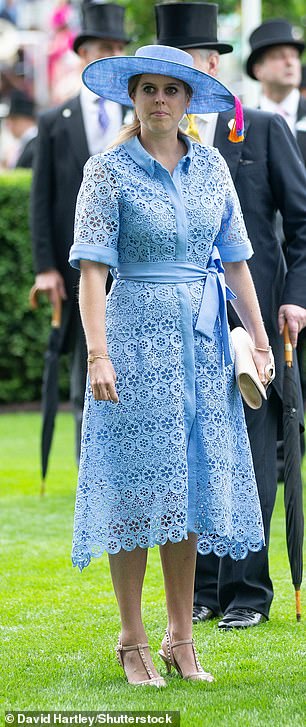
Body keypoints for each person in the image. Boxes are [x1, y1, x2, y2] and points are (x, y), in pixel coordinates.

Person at [68, 43, 271, 686]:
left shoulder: (213, 166)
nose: (160, 100)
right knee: (133, 489)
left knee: (186, 490)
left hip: (206, 345)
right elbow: (92, 271)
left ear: (189, 101)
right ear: (133, 97)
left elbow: (236, 260)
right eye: (149, 89)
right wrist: (99, 353)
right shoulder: (106, 170)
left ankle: (181, 638)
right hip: (132, 339)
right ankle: (132, 641)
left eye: (172, 91)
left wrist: (261, 343)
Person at [155, 2, 306, 629]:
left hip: (253, 321)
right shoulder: (155, 142)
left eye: (185, 65)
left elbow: (301, 224)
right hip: (182, 321)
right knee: (194, 453)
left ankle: (248, 593)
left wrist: (294, 296)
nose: (172, 84)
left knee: (247, 454)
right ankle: (206, 589)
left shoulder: (261, 128)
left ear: (212, 65)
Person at [30, 2, 129, 461]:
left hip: (131, 264)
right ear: (84, 53)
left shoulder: (140, 115)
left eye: (118, 48)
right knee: (81, 364)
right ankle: (87, 461)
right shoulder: (54, 121)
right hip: (78, 267)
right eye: (104, 48)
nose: (111, 54)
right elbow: (41, 199)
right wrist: (46, 267)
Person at [247, 19, 306, 412]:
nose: (289, 62)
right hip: (268, 273)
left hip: (302, 264)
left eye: (293, 55)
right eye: (278, 55)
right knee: (278, 381)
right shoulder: (245, 126)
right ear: (258, 69)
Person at [4, 88, 37, 167]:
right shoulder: (26, 144)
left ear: (22, 120)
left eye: (12, 120)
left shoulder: (34, 145)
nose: (8, 126)